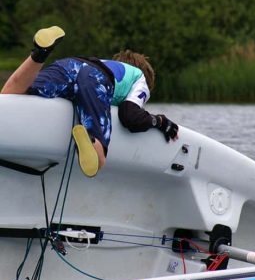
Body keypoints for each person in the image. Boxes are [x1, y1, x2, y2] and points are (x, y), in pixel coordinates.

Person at [1, 26, 179, 177]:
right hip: (95, 79)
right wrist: (160, 122)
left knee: (11, 93)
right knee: (98, 159)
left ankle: (40, 52)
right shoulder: (140, 79)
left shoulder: (108, 63)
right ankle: (89, 137)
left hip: (70, 64)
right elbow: (129, 115)